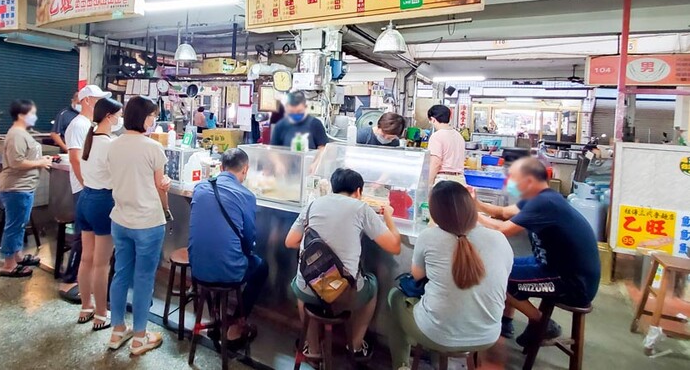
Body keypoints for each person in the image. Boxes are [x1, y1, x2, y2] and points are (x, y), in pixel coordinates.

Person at [387, 181, 513, 370]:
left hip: (437, 335)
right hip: (489, 336)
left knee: (395, 297)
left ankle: (401, 365)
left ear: (435, 212)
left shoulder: (429, 236)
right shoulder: (499, 239)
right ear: (470, 208)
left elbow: (417, 274)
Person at [476, 157, 601, 347]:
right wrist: (475, 202)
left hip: (573, 283)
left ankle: (543, 323)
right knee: (504, 263)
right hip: (552, 265)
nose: (511, 184)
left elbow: (503, 229)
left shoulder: (545, 203)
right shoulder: (540, 198)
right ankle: (506, 322)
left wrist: (471, 213)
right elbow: (502, 212)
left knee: (498, 275)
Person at [284, 168, 401, 361]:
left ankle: (312, 348)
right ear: (358, 191)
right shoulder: (361, 209)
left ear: (333, 187)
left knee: (303, 284)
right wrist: (388, 215)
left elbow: (290, 242)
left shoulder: (312, 205)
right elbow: (395, 247)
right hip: (344, 294)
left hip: (309, 290)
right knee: (372, 284)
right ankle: (355, 345)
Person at [106, 96, 170, 355]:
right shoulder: (153, 148)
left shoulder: (113, 145)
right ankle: (140, 337)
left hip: (120, 220)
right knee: (143, 279)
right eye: (153, 116)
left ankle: (118, 330)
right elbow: (159, 186)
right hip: (147, 223)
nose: (154, 120)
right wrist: (165, 203)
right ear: (144, 118)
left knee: (121, 274)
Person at [189, 148, 269, 346]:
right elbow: (249, 239)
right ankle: (236, 324)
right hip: (227, 272)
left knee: (218, 255)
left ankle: (216, 316)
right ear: (245, 170)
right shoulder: (246, 195)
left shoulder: (200, 187)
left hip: (196, 268)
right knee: (261, 267)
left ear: (222, 167)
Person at [75, 97, 123, 331]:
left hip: (85, 199)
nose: (119, 119)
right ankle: (102, 314)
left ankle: (86, 306)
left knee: (87, 258)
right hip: (104, 202)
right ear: (109, 116)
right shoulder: (110, 144)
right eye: (118, 115)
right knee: (101, 264)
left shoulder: (90, 139)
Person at [59, 85, 111, 301]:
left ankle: (83, 285)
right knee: (82, 239)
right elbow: (74, 158)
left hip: (88, 189)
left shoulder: (87, 125)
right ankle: (70, 281)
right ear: (87, 100)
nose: (101, 104)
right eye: (98, 99)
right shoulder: (79, 125)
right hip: (85, 189)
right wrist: (87, 185)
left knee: (86, 241)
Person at [0, 100, 53, 278]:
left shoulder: (22, 134)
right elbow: (16, 162)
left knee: (19, 225)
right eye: (33, 113)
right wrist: (41, 162)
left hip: (23, 187)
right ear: (21, 115)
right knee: (14, 226)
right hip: (16, 188)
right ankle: (8, 265)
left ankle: (18, 256)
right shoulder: (16, 135)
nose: (35, 117)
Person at [426, 104, 466, 186]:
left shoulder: (436, 136)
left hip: (444, 181)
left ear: (433, 120)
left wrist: (428, 183)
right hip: (460, 180)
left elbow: (436, 163)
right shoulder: (459, 136)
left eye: (430, 120)